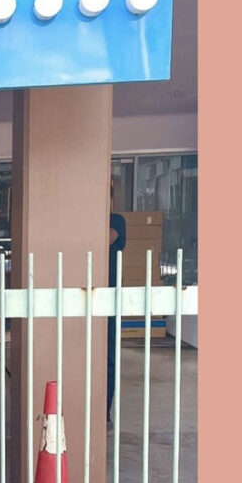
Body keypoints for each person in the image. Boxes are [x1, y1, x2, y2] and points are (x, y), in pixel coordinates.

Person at [106, 181, 126, 424]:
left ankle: (104, 411)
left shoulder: (116, 220)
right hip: (81, 292)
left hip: (109, 298)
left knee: (108, 357)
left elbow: (105, 238)